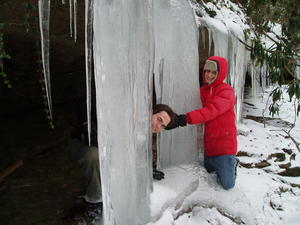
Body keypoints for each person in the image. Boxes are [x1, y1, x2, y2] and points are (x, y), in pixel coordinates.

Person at [66, 103, 175, 222]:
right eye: (159, 119)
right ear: (150, 112)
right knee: (93, 156)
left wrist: (147, 169)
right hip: (82, 145)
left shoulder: (145, 134)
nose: (158, 126)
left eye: (163, 126)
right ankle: (94, 201)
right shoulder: (126, 115)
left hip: (107, 152)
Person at [167, 56, 238, 190]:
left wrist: (184, 119)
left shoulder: (226, 92)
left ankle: (233, 163)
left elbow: (210, 111)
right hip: (209, 147)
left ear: (220, 74)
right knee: (209, 176)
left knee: (227, 185)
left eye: (213, 72)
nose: (209, 75)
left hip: (224, 147)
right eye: (207, 71)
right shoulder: (202, 91)